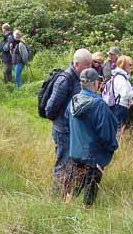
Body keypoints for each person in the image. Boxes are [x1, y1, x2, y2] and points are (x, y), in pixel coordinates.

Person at [65, 68, 119, 207]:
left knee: (71, 192)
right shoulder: (99, 105)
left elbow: (67, 123)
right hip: (94, 158)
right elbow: (107, 135)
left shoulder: (73, 101)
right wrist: (109, 151)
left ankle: (64, 216)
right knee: (88, 200)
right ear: (95, 83)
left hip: (75, 154)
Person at [44, 49, 93, 194]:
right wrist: (62, 122)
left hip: (74, 131)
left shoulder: (80, 78)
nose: (89, 69)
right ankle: (55, 196)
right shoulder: (64, 80)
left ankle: (67, 194)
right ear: (77, 64)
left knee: (72, 164)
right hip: (63, 131)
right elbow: (50, 108)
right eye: (86, 65)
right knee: (63, 164)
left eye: (90, 65)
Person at [108, 55, 133, 129]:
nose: (131, 67)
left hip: (120, 107)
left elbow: (127, 89)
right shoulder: (121, 78)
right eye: (129, 65)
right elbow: (125, 95)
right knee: (119, 130)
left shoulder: (121, 76)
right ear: (123, 65)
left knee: (119, 130)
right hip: (120, 108)